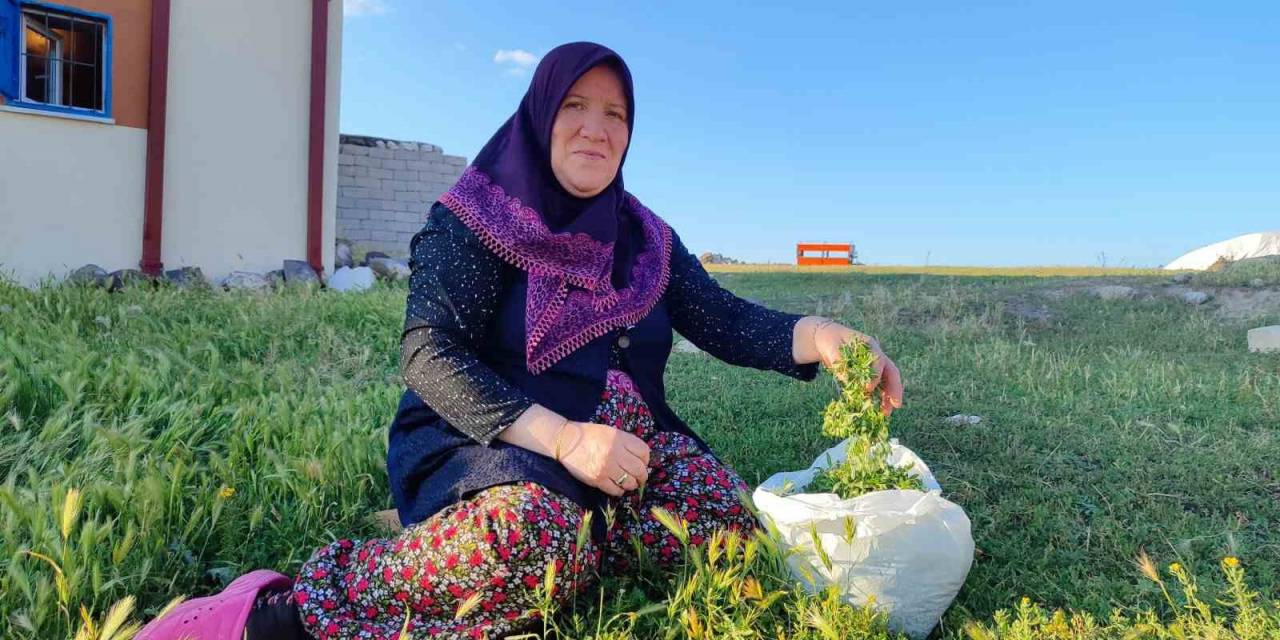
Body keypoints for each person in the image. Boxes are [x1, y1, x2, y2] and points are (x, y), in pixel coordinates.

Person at [137, 41, 903, 640]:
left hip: (627, 448)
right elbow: (429, 355)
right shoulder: (477, 218)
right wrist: (567, 441)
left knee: (732, 535)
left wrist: (831, 336)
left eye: (616, 114)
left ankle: (564, 543)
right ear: (540, 112)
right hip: (499, 434)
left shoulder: (644, 238)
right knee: (536, 546)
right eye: (576, 105)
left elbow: (727, 320)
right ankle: (289, 608)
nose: (597, 129)